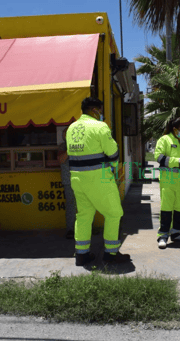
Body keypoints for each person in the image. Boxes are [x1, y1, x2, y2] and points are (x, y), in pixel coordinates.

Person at [67, 97, 130, 266]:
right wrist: (114, 167)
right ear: (95, 110)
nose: (101, 115)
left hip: (77, 178)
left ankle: (81, 254)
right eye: (100, 111)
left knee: (84, 216)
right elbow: (113, 152)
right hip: (98, 179)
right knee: (114, 213)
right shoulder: (100, 127)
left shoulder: (71, 128)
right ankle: (111, 254)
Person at [154, 117, 180, 249]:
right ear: (174, 129)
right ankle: (163, 235)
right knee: (166, 208)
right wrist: (177, 161)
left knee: (179, 209)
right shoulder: (164, 140)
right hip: (168, 181)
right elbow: (158, 157)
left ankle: (176, 233)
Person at [57, 127, 77, 239]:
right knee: (70, 205)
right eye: (65, 134)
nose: (66, 136)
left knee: (83, 206)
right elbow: (61, 159)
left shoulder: (79, 145)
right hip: (68, 180)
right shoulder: (62, 147)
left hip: (80, 179)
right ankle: (70, 229)